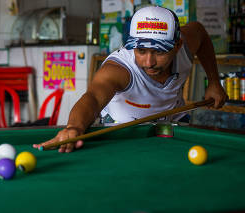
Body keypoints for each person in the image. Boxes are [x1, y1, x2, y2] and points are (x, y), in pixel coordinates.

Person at [33, 6, 228, 153]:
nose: (149, 62)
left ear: (177, 45)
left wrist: (214, 81)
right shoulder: (118, 70)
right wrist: (73, 127)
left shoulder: (186, 43)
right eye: (141, 50)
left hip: (174, 126)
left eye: (159, 51)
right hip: (121, 134)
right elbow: (92, 98)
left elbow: (200, 32)